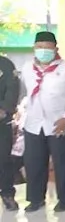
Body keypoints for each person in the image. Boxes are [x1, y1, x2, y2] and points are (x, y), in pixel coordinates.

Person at [21, 31, 65, 213]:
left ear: (55, 48)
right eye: (40, 47)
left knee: (64, 163)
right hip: (33, 123)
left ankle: (64, 198)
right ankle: (36, 199)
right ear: (34, 48)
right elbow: (23, 93)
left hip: (60, 124)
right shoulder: (27, 68)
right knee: (34, 162)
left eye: (47, 47)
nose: (43, 51)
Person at [0, 54, 21, 211]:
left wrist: (4, 109)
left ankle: (7, 194)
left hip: (1, 120)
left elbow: (12, 90)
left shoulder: (5, 64)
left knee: (3, 159)